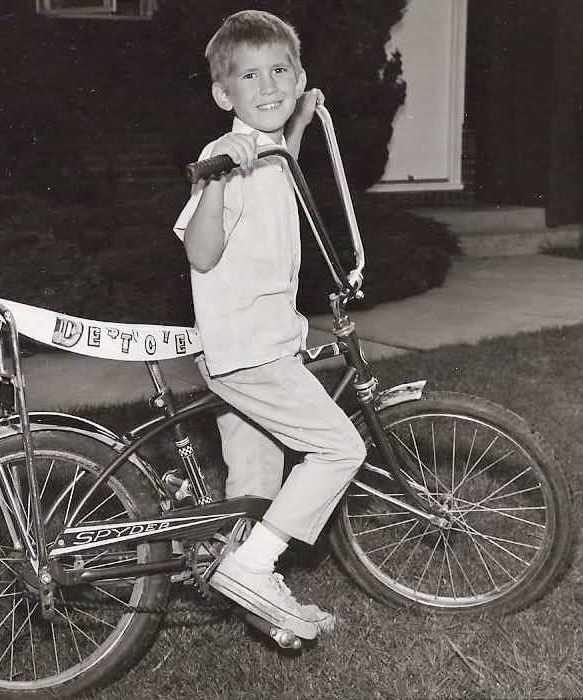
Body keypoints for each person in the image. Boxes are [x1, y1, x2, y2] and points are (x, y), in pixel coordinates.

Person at [173, 9, 367, 640]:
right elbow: (201, 253)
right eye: (248, 77)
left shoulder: (271, 148)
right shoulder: (225, 154)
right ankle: (254, 566)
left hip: (247, 345)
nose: (268, 86)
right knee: (340, 448)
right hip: (249, 352)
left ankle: (260, 595)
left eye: (280, 70)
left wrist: (301, 123)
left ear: (300, 74)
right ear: (222, 95)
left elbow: (277, 166)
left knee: (256, 489)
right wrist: (210, 181)